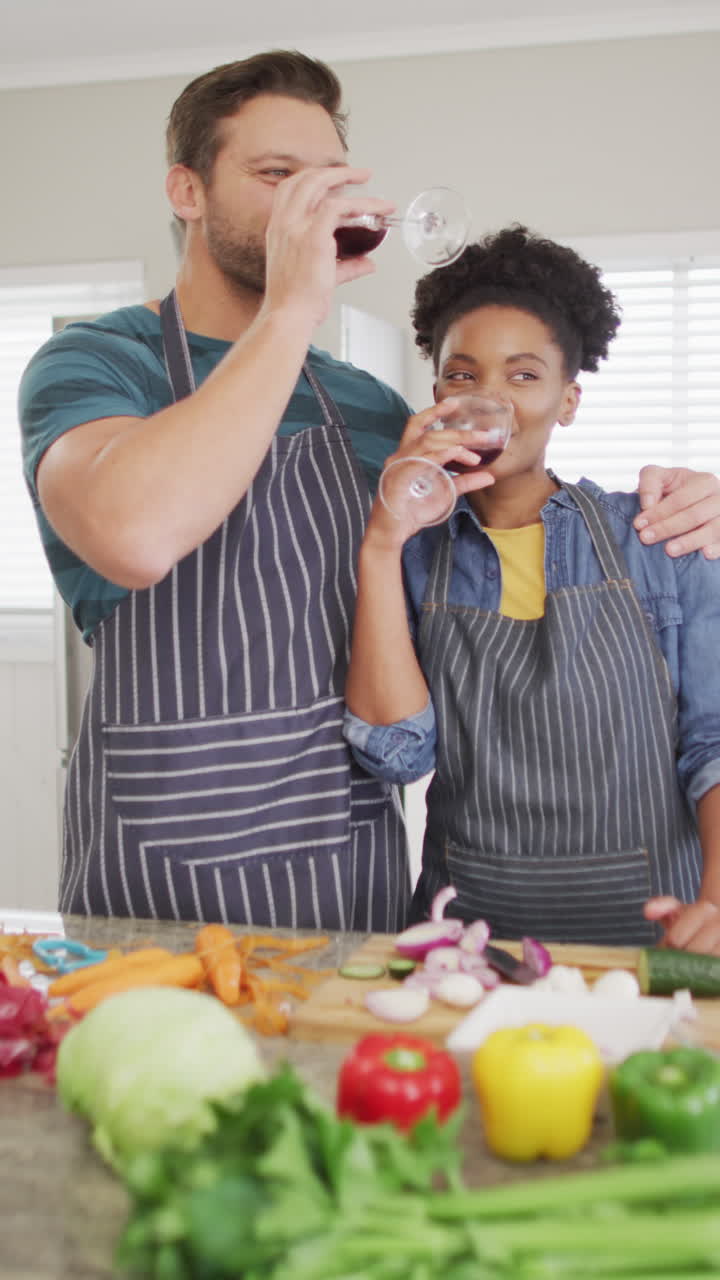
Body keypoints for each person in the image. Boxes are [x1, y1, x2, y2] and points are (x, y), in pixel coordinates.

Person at [17, 54, 720, 932]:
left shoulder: (367, 408)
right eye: (276, 176)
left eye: (323, 183)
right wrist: (291, 307)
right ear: (187, 191)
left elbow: (511, 527)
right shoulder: (96, 363)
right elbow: (133, 533)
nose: (307, 208)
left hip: (349, 872)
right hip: (163, 870)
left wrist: (695, 503)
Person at [344, 225, 720, 953]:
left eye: (523, 376)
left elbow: (714, 743)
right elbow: (395, 754)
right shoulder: (415, 555)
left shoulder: (656, 539)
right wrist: (382, 539)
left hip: (654, 942)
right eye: (463, 375)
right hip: (469, 950)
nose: (491, 400)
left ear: (568, 400)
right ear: (436, 397)